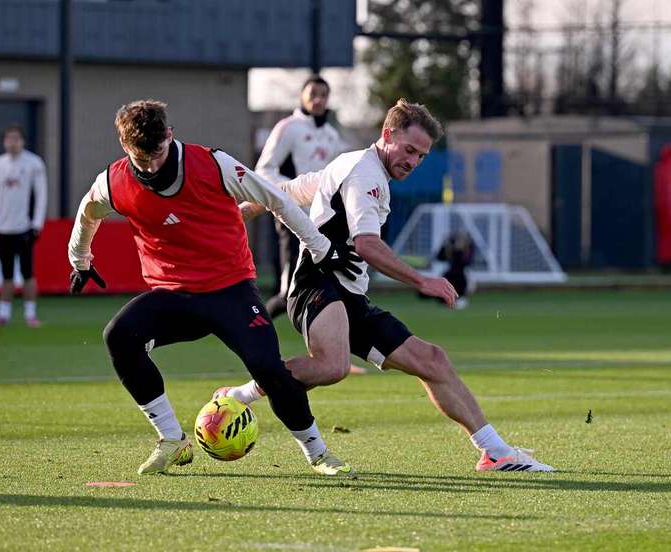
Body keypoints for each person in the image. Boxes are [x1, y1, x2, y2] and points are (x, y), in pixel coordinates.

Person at [221, 99, 555, 473]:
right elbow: (366, 244)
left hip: (348, 293)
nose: (413, 161)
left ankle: (495, 452)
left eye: (422, 156)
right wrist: (422, 280)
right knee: (332, 367)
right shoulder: (366, 175)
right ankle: (239, 396)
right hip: (316, 283)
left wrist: (246, 208)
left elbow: (298, 188)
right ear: (387, 135)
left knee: (433, 361)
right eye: (409, 150)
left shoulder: (355, 164)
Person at [68, 99, 361, 477]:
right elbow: (87, 213)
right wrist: (80, 260)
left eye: (158, 153)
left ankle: (319, 454)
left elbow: (276, 200)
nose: (153, 165)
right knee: (118, 336)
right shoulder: (114, 181)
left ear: (170, 136)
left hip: (231, 292)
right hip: (173, 297)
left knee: (268, 368)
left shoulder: (213, 164)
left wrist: (321, 249)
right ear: (125, 148)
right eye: (143, 159)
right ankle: (172, 440)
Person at [256, 75, 367, 374]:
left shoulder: (331, 134)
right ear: (303, 96)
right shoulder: (288, 128)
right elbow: (263, 171)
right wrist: (292, 192)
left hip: (323, 221)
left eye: (323, 94)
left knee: (330, 286)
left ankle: (330, 354)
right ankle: (249, 334)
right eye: (313, 93)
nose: (318, 99)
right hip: (292, 216)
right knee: (288, 290)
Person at [0, 125, 47, 328]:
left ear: (23, 141)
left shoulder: (34, 163)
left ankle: (30, 315)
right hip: (2, 228)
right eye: (9, 138)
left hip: (24, 228)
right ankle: (3, 314)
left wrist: (37, 225)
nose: (12, 142)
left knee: (27, 272)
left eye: (16, 138)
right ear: (4, 142)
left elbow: (42, 195)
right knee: (6, 273)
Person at [436, 230, 474, 310]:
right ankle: (448, 300)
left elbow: (465, 262)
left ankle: (459, 299)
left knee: (462, 283)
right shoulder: (450, 249)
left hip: (462, 275)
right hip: (451, 274)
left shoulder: (467, 249)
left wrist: (459, 250)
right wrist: (445, 244)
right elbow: (440, 257)